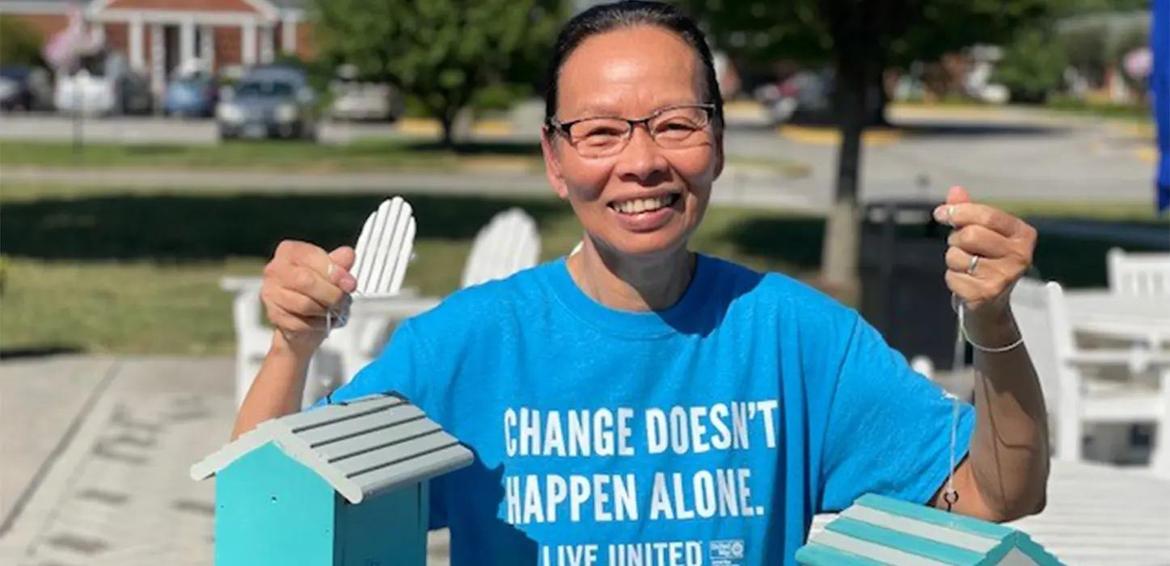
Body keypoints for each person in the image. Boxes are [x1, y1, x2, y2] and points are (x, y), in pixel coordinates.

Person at [233, 2, 1049, 564]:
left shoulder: (797, 337)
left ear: (718, 146)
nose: (643, 160)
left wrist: (994, 328)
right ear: (555, 161)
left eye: (675, 124)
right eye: (600, 133)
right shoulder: (467, 343)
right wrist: (290, 348)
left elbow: (994, 496)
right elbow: (272, 521)